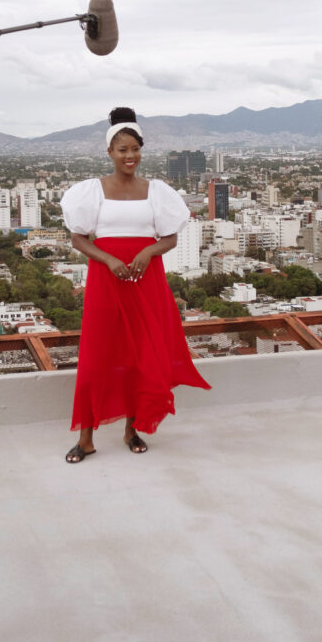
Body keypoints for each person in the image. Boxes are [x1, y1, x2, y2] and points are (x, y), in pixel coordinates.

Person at [60, 106, 210, 462]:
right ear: (110, 152)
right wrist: (110, 259)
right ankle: (86, 438)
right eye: (122, 149)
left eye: (135, 149)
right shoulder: (91, 191)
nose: (130, 156)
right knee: (98, 354)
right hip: (106, 279)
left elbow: (170, 239)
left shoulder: (156, 191)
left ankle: (132, 429)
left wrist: (147, 252)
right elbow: (78, 239)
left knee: (140, 355)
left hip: (146, 279)